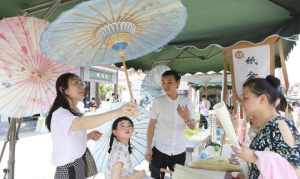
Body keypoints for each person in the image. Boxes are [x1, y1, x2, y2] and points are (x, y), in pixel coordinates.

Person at [45, 73, 138, 179]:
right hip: (68, 169)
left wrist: (88, 137)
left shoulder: (74, 111)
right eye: (76, 83)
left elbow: (68, 139)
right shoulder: (61, 114)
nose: (82, 86)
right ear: (63, 90)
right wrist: (119, 111)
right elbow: (84, 123)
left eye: (82, 83)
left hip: (78, 164)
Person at [232, 75, 300, 179]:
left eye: (246, 98)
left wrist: (254, 157)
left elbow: (295, 171)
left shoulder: (280, 125)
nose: (242, 104)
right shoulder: (268, 125)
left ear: (262, 99)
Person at [146, 70, 196, 179]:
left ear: (177, 83)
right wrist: (148, 148)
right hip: (160, 150)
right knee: (156, 177)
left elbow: (193, 127)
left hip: (179, 150)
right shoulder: (158, 102)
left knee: (178, 177)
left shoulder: (186, 102)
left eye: (169, 82)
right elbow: (151, 126)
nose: (165, 85)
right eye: (163, 82)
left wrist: (186, 118)